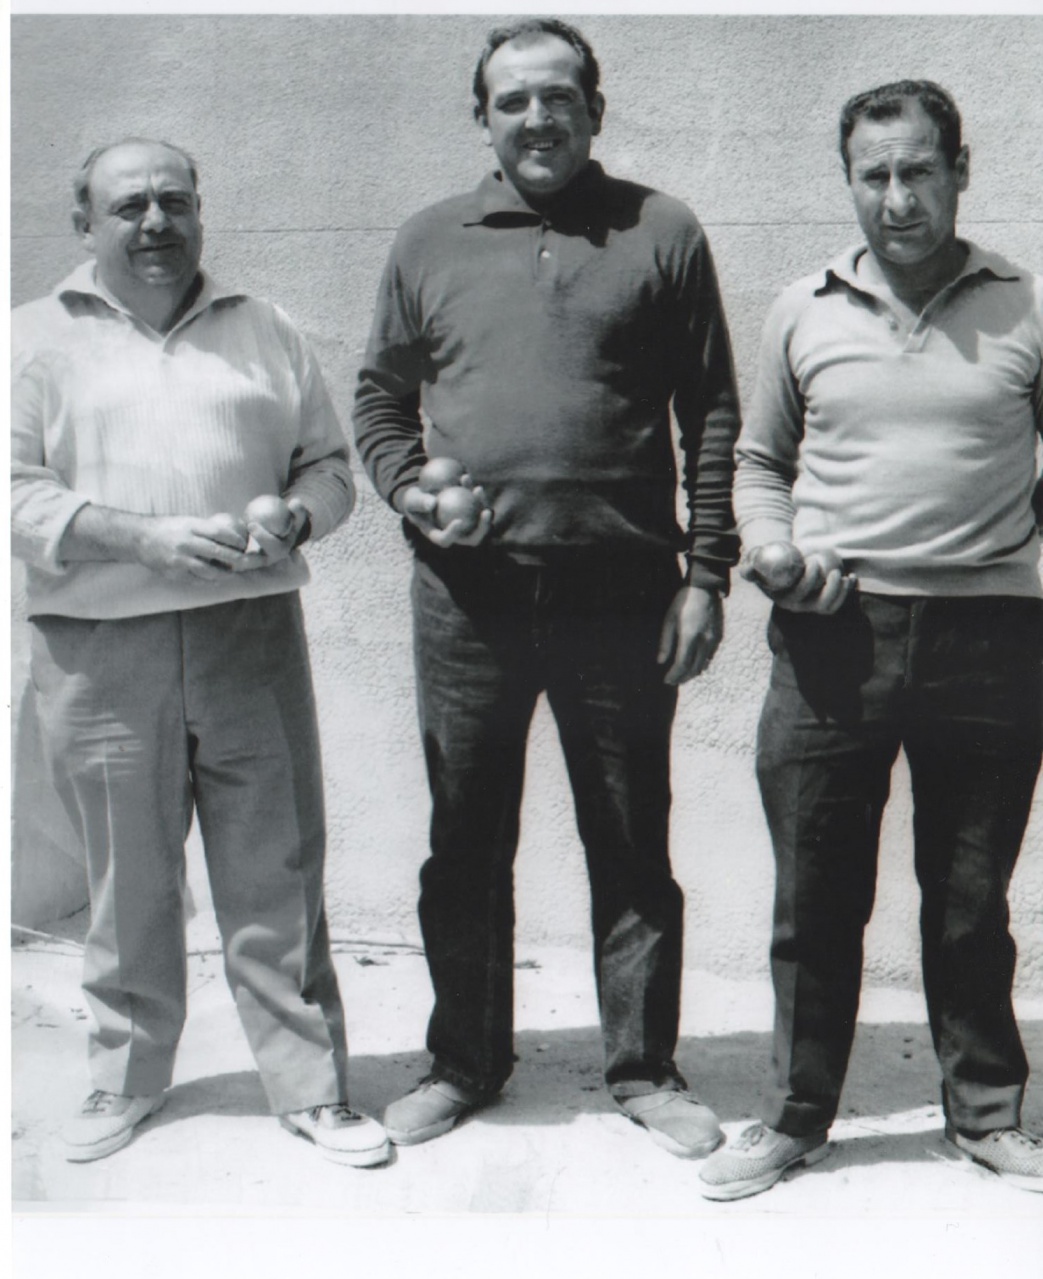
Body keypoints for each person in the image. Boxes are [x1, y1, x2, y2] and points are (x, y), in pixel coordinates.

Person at [353, 19, 740, 1156]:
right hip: (465, 594)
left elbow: (709, 412)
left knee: (630, 835)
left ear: (594, 110)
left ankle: (643, 1068)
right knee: (464, 836)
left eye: (557, 97)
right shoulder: (430, 238)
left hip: (623, 588)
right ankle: (463, 1061)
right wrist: (408, 489)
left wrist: (703, 573)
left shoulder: (661, 230)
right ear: (483, 115)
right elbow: (379, 399)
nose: (536, 118)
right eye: (512, 99)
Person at [11, 138, 389, 1168]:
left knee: (276, 867)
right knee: (125, 881)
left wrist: (296, 525)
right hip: (97, 647)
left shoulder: (261, 329)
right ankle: (124, 1076)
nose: (155, 223)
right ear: (82, 221)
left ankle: (310, 1087)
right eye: (128, 205)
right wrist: (140, 535)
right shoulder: (29, 338)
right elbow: (13, 494)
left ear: (199, 212)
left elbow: (327, 468)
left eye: (173, 201)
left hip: (248, 633)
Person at [699, 80, 1043, 1200]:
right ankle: (797, 1114)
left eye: (916, 171)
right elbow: (757, 462)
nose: (896, 198)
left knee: (966, 895)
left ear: (958, 169)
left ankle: (985, 1113)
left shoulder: (1024, 303)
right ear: (849, 180)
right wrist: (767, 547)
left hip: (990, 638)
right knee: (815, 893)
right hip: (831, 637)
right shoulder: (799, 307)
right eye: (872, 175)